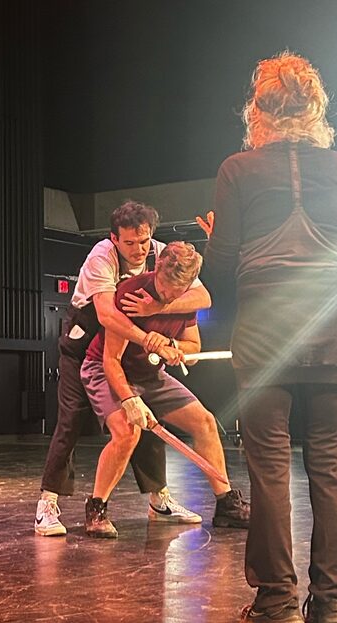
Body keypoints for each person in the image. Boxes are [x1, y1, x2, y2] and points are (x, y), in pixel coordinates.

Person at [202, 52, 337, 623]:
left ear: (258, 110)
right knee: (329, 464)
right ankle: (332, 605)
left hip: (264, 335)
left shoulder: (238, 169)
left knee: (269, 468)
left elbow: (220, 266)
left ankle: (276, 602)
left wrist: (215, 240)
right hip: (331, 329)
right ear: (315, 107)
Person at [35, 201, 213, 536]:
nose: (138, 249)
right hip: (85, 348)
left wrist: (159, 304)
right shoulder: (101, 257)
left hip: (128, 351)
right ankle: (47, 502)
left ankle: (159, 499)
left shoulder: (163, 254)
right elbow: (107, 316)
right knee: (71, 419)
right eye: (129, 243)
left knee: (145, 417)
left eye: (143, 241)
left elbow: (202, 298)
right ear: (114, 239)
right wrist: (150, 339)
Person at [81, 241, 250, 538]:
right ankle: (97, 509)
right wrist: (130, 400)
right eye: (166, 286)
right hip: (106, 369)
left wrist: (171, 345)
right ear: (157, 267)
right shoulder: (131, 294)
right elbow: (111, 360)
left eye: (179, 290)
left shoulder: (184, 300)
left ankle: (227, 505)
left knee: (205, 422)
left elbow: (193, 348)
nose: (170, 295)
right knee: (127, 431)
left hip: (149, 373)